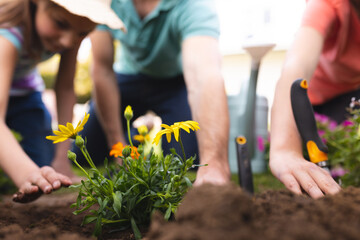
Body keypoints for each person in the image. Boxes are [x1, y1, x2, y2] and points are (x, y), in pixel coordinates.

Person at [77, 0, 231, 185]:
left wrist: (215, 164)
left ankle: (138, 133)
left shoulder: (193, 5)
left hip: (173, 83)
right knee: (87, 153)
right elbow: (102, 70)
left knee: (184, 161)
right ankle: (134, 134)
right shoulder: (104, 3)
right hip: (126, 78)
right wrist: (118, 147)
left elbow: (204, 75)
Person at [0, 0, 125, 202]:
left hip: (25, 94)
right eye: (60, 23)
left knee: (44, 169)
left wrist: (62, 158)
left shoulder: (72, 31)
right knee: (30, 171)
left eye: (82, 34)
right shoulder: (8, 31)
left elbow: (66, 88)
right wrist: (25, 174)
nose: (68, 41)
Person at [269, 0, 360, 198]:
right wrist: (285, 149)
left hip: (351, 93)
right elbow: (296, 64)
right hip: (311, 104)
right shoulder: (328, 5)